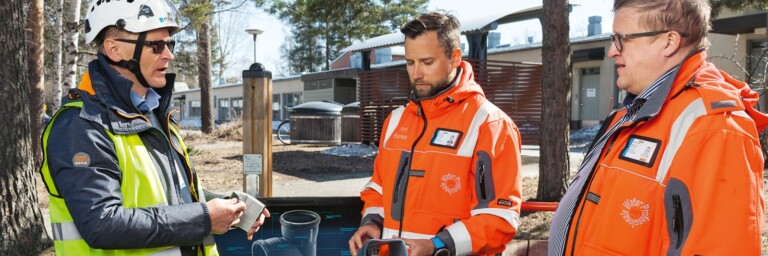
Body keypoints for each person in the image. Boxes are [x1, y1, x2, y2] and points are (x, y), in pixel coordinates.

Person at [40, 0, 269, 255]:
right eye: (156, 46)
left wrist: (228, 208)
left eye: (170, 44)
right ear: (114, 49)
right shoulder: (81, 125)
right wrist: (204, 218)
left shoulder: (153, 112)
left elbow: (171, 193)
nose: (169, 55)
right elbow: (102, 224)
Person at [548, 0, 767, 255]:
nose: (612, 51)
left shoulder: (715, 127)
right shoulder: (634, 111)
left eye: (622, 39)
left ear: (668, 42)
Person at [348, 12, 523, 256]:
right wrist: (372, 223)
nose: (416, 73)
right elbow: (378, 188)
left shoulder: (490, 124)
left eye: (427, 62)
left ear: (455, 58)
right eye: (410, 62)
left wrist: (437, 245)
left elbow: (499, 218)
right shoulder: (395, 120)